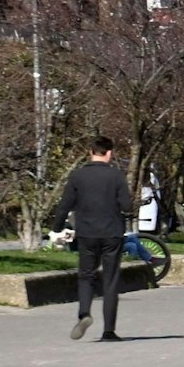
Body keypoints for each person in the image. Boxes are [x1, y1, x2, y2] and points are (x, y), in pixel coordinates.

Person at [50, 135, 134, 342]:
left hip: (87, 233)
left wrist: (56, 228)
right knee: (110, 281)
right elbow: (126, 206)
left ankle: (84, 313)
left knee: (86, 276)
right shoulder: (116, 176)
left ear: (91, 153)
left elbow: (65, 204)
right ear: (109, 153)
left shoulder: (78, 176)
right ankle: (109, 331)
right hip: (112, 233)